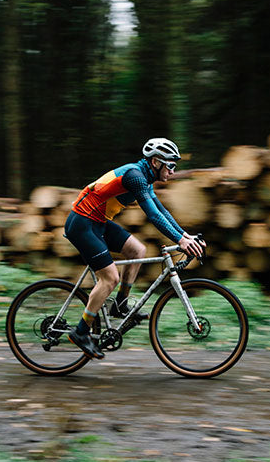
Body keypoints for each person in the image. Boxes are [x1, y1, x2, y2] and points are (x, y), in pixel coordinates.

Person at [64, 138, 205, 359]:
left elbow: (163, 211)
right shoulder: (135, 176)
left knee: (137, 251)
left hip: (98, 222)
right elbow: (153, 215)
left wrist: (185, 236)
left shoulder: (145, 179)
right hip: (82, 224)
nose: (173, 171)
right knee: (110, 278)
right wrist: (180, 240)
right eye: (170, 165)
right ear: (156, 162)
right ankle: (81, 332)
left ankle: (120, 305)